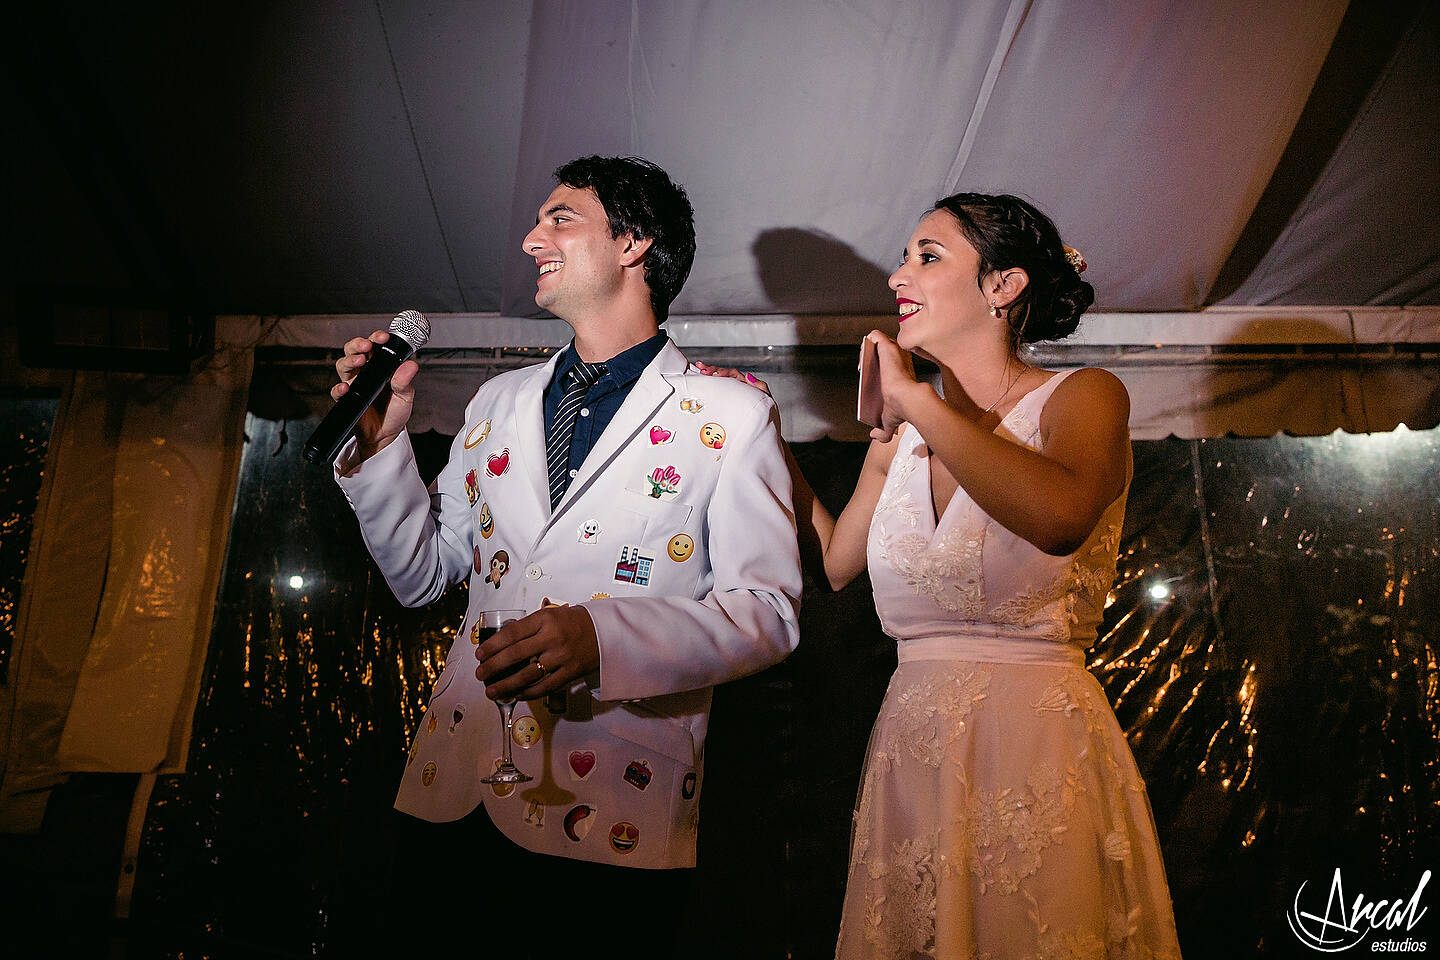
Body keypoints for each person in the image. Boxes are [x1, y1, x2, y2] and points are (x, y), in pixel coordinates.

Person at [328, 156, 801, 952]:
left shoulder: (731, 412)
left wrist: (604, 640)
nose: (529, 238)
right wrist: (377, 448)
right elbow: (420, 576)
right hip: (454, 792)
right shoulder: (498, 401)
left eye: (560, 218)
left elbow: (770, 614)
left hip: (611, 800)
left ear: (634, 242)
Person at [699, 193, 1181, 958]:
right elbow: (834, 562)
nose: (898, 276)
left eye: (928, 256)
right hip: (912, 754)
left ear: (1004, 285)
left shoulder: (1083, 396)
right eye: (904, 257)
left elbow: (1059, 519)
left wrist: (916, 401)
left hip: (1032, 750)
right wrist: (763, 435)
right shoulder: (905, 440)